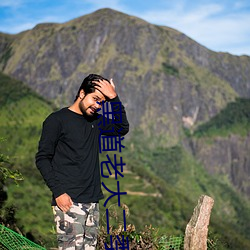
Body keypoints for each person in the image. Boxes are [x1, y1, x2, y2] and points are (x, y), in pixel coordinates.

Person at [35, 74, 129, 250]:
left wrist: (114, 98)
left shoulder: (96, 121)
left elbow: (122, 128)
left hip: (92, 202)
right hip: (69, 202)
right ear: (81, 93)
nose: (97, 105)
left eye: (101, 102)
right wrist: (58, 192)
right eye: (95, 99)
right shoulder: (57, 120)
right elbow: (42, 158)